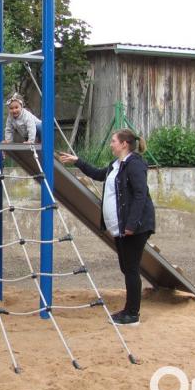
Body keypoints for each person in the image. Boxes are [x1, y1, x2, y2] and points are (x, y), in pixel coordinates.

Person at [57, 128, 155, 326]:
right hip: (119, 227)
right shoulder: (116, 164)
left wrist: (132, 224)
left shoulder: (135, 165)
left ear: (124, 144)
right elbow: (98, 174)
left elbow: (140, 195)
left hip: (134, 227)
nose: (111, 144)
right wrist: (77, 161)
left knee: (131, 268)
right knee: (127, 268)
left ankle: (133, 314)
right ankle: (128, 310)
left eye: (113, 141)